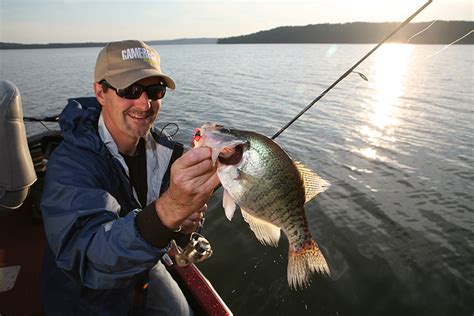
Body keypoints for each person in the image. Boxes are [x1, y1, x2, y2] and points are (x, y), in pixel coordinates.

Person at [40, 40, 220, 315]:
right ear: (100, 92)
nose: (145, 103)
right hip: (84, 292)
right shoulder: (69, 163)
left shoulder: (166, 152)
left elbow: (172, 226)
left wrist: (183, 226)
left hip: (145, 264)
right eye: (130, 90)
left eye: (154, 90)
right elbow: (89, 257)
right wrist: (170, 210)